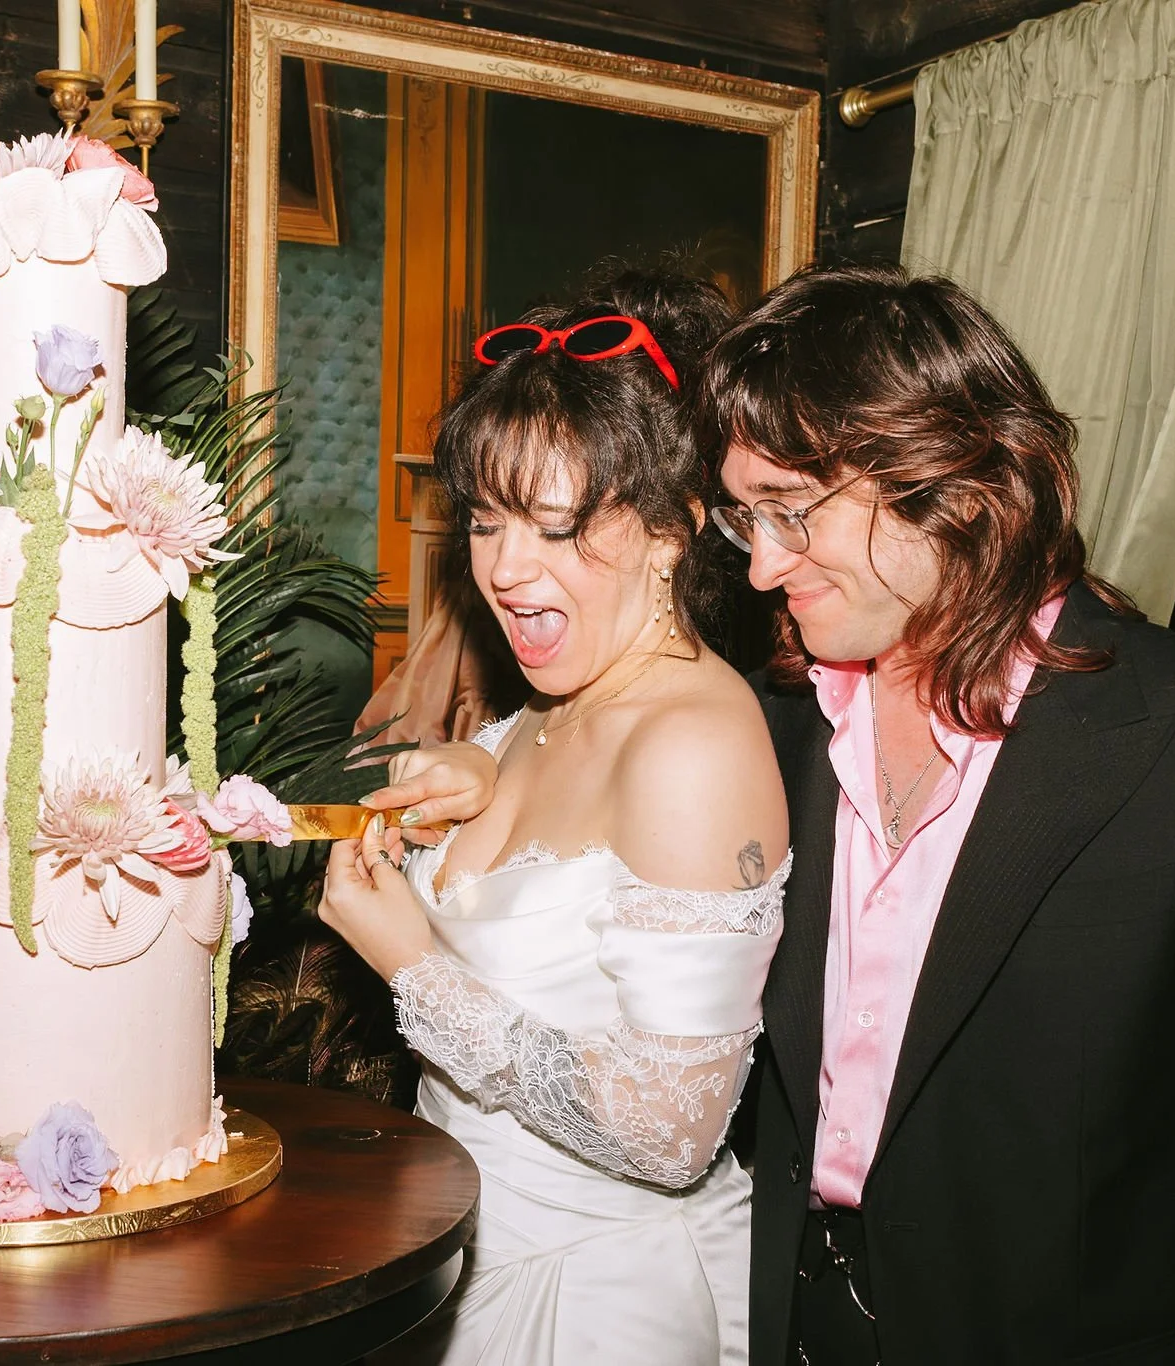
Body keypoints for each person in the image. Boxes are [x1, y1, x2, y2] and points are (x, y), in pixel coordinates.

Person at [700, 265, 1175, 1366]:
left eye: (790, 511)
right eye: (746, 519)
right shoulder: (780, 722)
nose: (765, 564)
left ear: (951, 478)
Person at [317, 268, 792, 1365]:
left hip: (597, 1300)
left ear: (673, 531)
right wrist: (474, 783)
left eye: (556, 524)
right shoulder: (543, 709)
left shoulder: (694, 740)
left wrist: (410, 966)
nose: (504, 567)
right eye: (486, 523)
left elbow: (667, 1134)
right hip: (463, 1253)